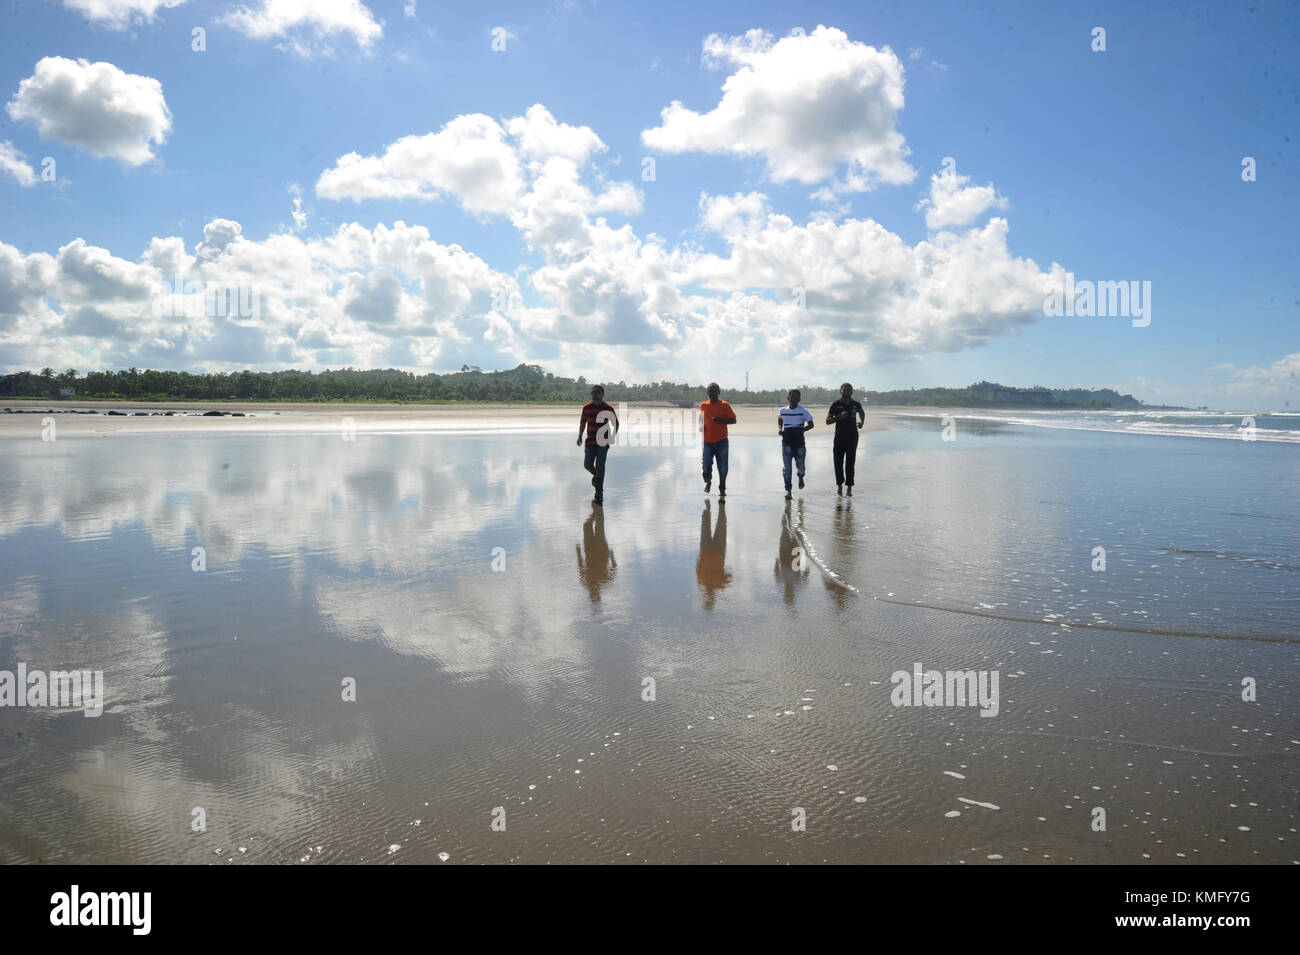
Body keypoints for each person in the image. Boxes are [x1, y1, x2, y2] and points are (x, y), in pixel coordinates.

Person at [576, 384, 618, 505]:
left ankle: (599, 494)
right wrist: (579, 436)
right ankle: (596, 477)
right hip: (590, 442)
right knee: (588, 465)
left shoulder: (608, 408)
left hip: (603, 442)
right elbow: (583, 423)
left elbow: (616, 423)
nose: (595, 394)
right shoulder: (586, 408)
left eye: (597, 392)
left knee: (600, 466)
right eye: (593, 392)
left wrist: (612, 436)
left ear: (602, 394)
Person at [826, 382, 866, 496]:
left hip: (853, 437)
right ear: (841, 391)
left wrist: (861, 422)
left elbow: (862, 413)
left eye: (849, 389)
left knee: (850, 462)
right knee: (838, 462)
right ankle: (839, 487)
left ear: (851, 391)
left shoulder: (856, 404)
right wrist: (838, 417)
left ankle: (849, 489)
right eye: (845, 389)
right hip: (839, 437)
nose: (847, 391)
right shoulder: (835, 404)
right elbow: (827, 421)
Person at [699, 382, 737, 497]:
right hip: (707, 442)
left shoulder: (725, 405)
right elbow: (701, 422)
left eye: (715, 391)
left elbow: (734, 420)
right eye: (710, 391)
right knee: (706, 466)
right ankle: (708, 481)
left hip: (721, 442)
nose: (712, 393)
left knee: (723, 467)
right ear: (707, 393)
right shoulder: (703, 405)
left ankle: (722, 488)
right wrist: (701, 427)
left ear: (719, 392)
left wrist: (721, 421)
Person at [777, 388, 814, 500]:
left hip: (799, 444)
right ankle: (788, 491)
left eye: (796, 397)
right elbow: (780, 418)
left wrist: (801, 430)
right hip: (786, 443)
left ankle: (800, 476)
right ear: (788, 398)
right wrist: (780, 428)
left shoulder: (803, 411)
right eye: (792, 396)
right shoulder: (783, 410)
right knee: (787, 468)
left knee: (801, 467)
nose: (794, 399)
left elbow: (811, 424)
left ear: (799, 399)